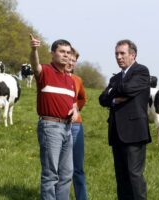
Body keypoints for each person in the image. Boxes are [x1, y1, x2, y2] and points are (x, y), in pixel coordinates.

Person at [98, 39, 151, 200]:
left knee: (134, 176)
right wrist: (113, 99)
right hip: (116, 133)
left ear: (133, 55)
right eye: (116, 54)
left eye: (122, 53)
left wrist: (111, 92)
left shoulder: (141, 71)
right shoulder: (115, 79)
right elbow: (102, 99)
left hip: (134, 133)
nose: (119, 57)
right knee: (121, 177)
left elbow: (127, 88)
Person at [30, 34, 79, 200]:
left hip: (67, 128)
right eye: (62, 51)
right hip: (50, 127)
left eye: (68, 52)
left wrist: (75, 110)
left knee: (66, 174)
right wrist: (34, 49)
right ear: (52, 53)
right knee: (51, 174)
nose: (66, 55)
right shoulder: (45, 71)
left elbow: (73, 103)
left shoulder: (70, 80)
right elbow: (34, 65)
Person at [65, 47, 88, 200]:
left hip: (75, 126)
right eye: (69, 59)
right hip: (57, 125)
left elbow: (83, 98)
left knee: (77, 168)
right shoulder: (54, 76)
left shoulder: (77, 80)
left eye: (74, 61)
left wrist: (76, 108)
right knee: (62, 168)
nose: (71, 63)